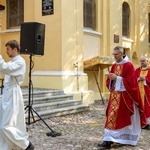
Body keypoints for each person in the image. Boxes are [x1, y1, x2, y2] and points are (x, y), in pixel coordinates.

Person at [98, 46, 146, 148]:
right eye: (113, 54)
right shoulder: (114, 65)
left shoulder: (129, 66)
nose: (114, 56)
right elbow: (110, 82)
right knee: (110, 117)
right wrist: (111, 79)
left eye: (116, 54)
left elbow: (132, 82)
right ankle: (108, 140)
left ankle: (125, 138)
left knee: (122, 118)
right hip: (114, 96)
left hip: (125, 97)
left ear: (121, 53)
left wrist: (118, 78)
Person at [0, 40, 34, 150]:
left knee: (6, 126)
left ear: (15, 49)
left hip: (12, 95)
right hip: (7, 94)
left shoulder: (20, 62)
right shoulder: (13, 61)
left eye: (8, 49)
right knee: (3, 124)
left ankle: (26, 145)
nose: (6, 51)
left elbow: (4, 68)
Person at [134, 56, 150, 130]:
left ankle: (148, 123)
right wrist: (138, 79)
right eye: (141, 61)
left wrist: (145, 79)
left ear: (147, 61)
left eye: (144, 60)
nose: (142, 62)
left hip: (147, 92)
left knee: (147, 107)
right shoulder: (137, 70)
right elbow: (133, 78)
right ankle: (141, 123)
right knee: (139, 106)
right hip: (138, 92)